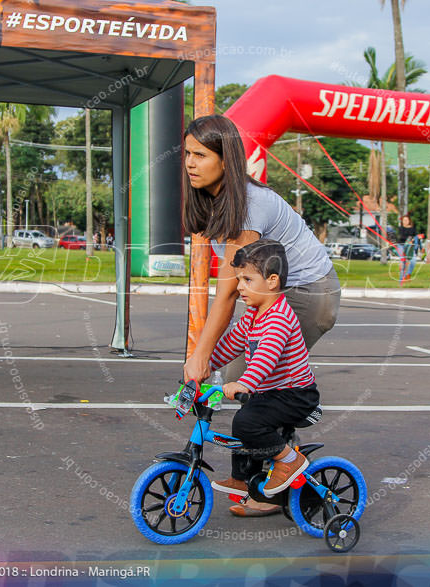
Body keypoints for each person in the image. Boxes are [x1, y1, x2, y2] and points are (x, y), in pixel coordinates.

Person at [181, 114, 339, 515]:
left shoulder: (250, 206)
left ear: (225, 159)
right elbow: (226, 298)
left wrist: (201, 354)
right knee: (235, 377)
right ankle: (262, 475)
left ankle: (281, 475)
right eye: (186, 154)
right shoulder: (217, 201)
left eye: (200, 155)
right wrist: (204, 353)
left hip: (306, 292)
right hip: (271, 292)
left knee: (255, 384)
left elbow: (230, 290)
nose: (190, 163)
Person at [207, 240, 320, 502]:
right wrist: (205, 365)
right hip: (272, 393)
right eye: (238, 279)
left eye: (247, 279)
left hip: (296, 395)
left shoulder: (280, 316)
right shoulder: (253, 314)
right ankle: (242, 478)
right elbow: (231, 344)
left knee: (249, 422)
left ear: (272, 281)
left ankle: (289, 460)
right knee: (243, 421)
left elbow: (266, 357)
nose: (239, 287)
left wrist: (244, 383)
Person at [397, 214, 420, 281]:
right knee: (403, 261)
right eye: (404, 220)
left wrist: (415, 240)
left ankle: (408, 274)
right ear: (402, 221)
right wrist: (409, 239)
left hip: (410, 246)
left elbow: (416, 236)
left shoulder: (413, 228)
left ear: (409, 221)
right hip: (401, 245)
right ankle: (401, 279)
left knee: (413, 260)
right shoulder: (400, 228)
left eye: (406, 220)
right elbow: (401, 237)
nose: (405, 221)